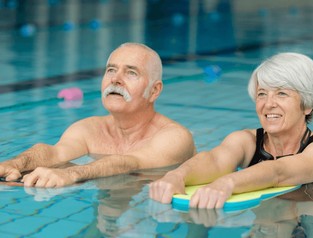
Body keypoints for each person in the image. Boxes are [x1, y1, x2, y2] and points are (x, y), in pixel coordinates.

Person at [149, 52, 313, 208]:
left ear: (308, 105)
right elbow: (214, 161)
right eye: (262, 94)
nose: (268, 104)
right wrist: (176, 176)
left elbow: (278, 171)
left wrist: (227, 183)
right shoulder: (245, 141)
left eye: (282, 93)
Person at [0, 42, 195, 188]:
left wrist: (72, 174)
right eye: (111, 70)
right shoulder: (88, 128)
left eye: (131, 73)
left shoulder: (174, 137)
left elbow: (130, 163)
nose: (115, 80)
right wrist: (14, 163)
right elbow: (54, 153)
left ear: (154, 91)